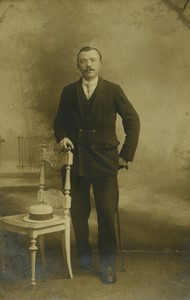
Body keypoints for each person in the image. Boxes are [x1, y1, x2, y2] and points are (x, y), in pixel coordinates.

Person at [54, 46, 140, 284]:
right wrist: (62, 138)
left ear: (101, 64)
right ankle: (83, 257)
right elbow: (59, 122)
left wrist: (125, 155)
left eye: (93, 60)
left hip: (105, 163)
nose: (88, 64)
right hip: (76, 163)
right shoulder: (69, 91)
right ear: (77, 65)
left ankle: (107, 265)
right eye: (83, 61)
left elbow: (132, 121)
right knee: (78, 215)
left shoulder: (113, 90)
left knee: (105, 215)